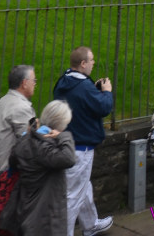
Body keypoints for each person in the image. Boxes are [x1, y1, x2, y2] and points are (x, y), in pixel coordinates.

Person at [53, 46, 114, 236]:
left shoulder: (64, 82)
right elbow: (104, 107)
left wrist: (94, 91)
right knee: (72, 196)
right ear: (83, 63)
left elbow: (81, 102)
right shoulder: (84, 87)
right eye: (91, 60)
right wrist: (106, 92)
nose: (93, 63)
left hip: (66, 142)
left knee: (82, 187)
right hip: (81, 148)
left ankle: (90, 224)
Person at [7, 99, 77, 236]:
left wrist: (28, 135)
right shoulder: (47, 146)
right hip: (44, 213)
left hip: (25, 205)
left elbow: (13, 160)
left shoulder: (27, 140)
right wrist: (64, 137)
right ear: (61, 125)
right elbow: (68, 158)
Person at [0, 63, 36, 204]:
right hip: (6, 177)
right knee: (9, 222)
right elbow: (29, 144)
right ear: (24, 83)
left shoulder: (1, 103)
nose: (35, 84)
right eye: (34, 80)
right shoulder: (20, 107)